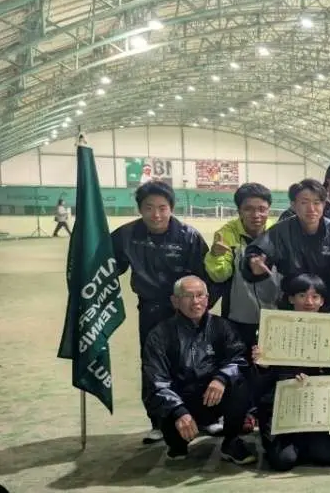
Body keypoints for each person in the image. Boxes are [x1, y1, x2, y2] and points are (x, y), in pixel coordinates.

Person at [112, 180, 209, 443]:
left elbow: (204, 277)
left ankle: (202, 416)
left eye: (162, 208)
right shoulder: (126, 235)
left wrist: (197, 307)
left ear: (171, 208)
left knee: (194, 362)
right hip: (151, 310)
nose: (156, 214)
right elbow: (109, 267)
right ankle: (158, 421)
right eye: (149, 207)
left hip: (187, 311)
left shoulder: (188, 236)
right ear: (140, 209)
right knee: (153, 364)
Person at [140, 276, 253, 464]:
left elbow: (238, 358)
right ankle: (177, 441)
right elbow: (155, 380)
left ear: (207, 299)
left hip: (212, 396)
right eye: (188, 296)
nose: (195, 302)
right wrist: (178, 411)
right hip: (179, 403)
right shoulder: (160, 335)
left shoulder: (222, 327)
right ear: (175, 301)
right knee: (177, 450)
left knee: (239, 382)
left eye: (200, 295)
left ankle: (232, 442)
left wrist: (221, 378)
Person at [253, 275, 330, 471]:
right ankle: (283, 441)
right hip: (280, 407)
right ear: (291, 298)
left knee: (329, 456)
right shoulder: (274, 327)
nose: (309, 302)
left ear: (322, 301)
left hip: (312, 407)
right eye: (302, 295)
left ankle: (305, 440)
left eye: (315, 297)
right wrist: (263, 365)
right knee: (283, 461)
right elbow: (260, 383)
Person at [242, 179, 330, 332]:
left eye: (317, 202)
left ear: (324, 205)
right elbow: (257, 251)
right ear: (293, 205)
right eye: (304, 202)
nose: (311, 208)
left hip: (329, 306)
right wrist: (253, 264)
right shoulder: (281, 231)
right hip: (292, 304)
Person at [204, 182, 278, 348]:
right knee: (237, 357)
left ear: (269, 210)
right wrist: (216, 255)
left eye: (262, 209)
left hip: (273, 314)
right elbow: (220, 275)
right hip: (237, 315)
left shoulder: (277, 232)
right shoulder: (226, 234)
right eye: (248, 209)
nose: (256, 215)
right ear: (239, 211)